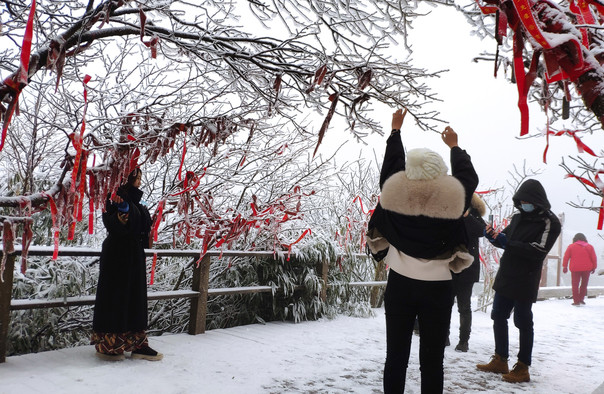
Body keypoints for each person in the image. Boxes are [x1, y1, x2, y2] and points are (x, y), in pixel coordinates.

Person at [367, 108, 479, 393]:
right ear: (439, 171)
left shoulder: (393, 195)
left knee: (395, 359)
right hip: (438, 289)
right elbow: (468, 178)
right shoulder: (453, 200)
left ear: (410, 172)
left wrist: (395, 131)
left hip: (401, 285)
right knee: (432, 362)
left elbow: (391, 166)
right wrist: (455, 146)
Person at [476, 179, 561, 383]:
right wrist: (493, 236)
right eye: (521, 201)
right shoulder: (517, 217)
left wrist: (509, 243)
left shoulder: (550, 222)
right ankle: (500, 359)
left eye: (527, 200)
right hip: (507, 273)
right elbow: (505, 240)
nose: (524, 204)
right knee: (498, 315)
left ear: (537, 200)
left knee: (522, 320)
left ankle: (523, 367)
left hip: (526, 276)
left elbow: (538, 250)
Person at [91, 168, 163, 361]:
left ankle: (138, 344)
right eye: (136, 177)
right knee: (116, 298)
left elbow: (141, 227)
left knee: (135, 299)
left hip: (134, 255)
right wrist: (123, 211)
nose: (139, 181)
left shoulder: (138, 203)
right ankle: (110, 346)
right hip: (117, 256)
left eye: (140, 177)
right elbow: (114, 223)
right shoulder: (115, 198)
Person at [451, 193, 486, 352]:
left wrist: (466, 216)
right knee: (445, 303)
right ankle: (443, 337)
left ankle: (463, 341)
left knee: (464, 305)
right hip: (449, 264)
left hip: (468, 267)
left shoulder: (474, 214)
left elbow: (481, 230)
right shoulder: (450, 210)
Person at [563, 233, 597, 306]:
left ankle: (576, 301)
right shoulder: (590, 247)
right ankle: (581, 299)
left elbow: (566, 257)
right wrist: (594, 267)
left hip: (575, 268)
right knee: (584, 284)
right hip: (587, 268)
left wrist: (565, 266)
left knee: (575, 285)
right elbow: (593, 258)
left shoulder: (571, 246)